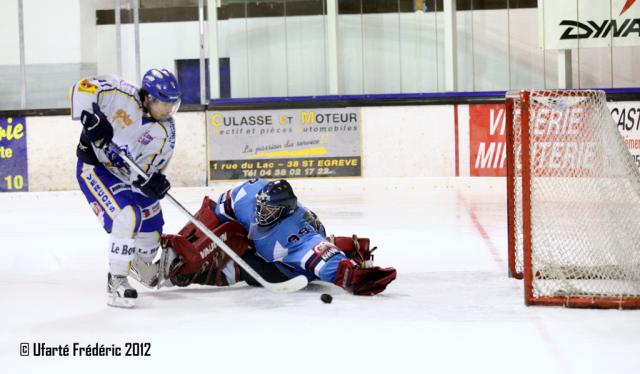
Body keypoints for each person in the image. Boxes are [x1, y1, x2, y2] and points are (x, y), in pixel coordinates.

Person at [157, 179, 397, 295]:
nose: (260, 214)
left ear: (283, 212)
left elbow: (330, 263)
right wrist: (191, 242)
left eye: (269, 211)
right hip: (269, 243)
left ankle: (183, 275)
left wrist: (352, 276)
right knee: (221, 228)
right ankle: (175, 256)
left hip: (284, 267)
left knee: (233, 269)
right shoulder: (249, 196)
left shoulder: (297, 234)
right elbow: (216, 210)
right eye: (261, 208)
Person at [70, 69, 181, 308]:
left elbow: (143, 173)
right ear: (147, 97)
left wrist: (151, 183)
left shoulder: (166, 131)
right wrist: (90, 118)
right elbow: (82, 87)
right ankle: (116, 280)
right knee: (127, 217)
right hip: (95, 167)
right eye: (163, 103)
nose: (168, 110)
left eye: (172, 104)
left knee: (151, 238)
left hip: (124, 175)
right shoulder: (117, 91)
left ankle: (136, 266)